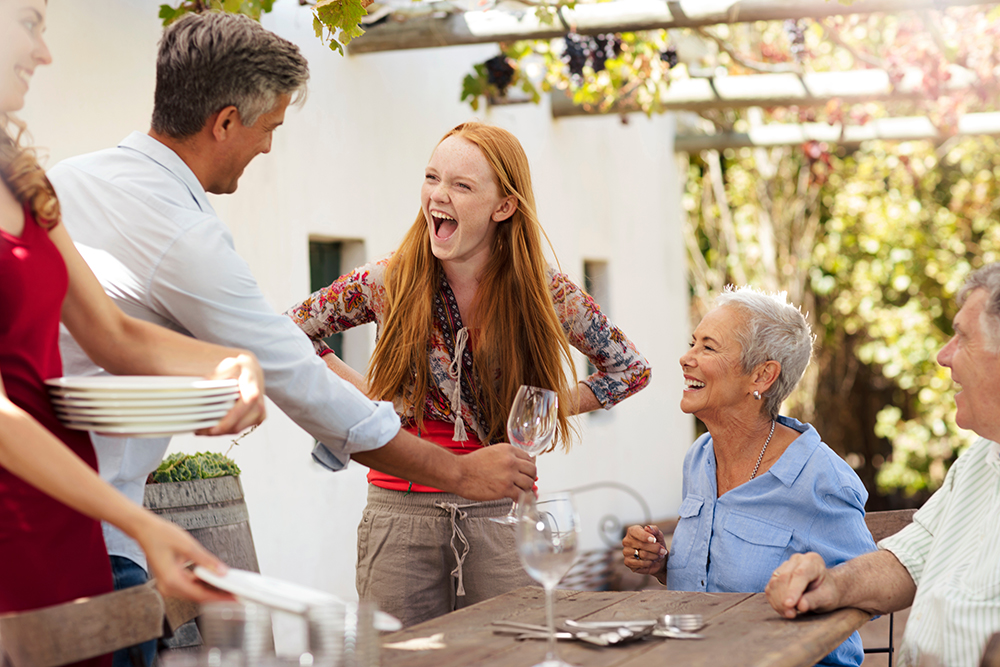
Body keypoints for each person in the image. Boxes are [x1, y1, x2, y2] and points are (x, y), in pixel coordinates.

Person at [49, 13, 536, 666]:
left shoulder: (69, 179)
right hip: (90, 541)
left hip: (64, 516)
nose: (269, 149)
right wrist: (458, 470)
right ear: (225, 122)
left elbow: (118, 345)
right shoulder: (182, 236)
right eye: (269, 128)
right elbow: (299, 381)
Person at [286, 121, 652, 626]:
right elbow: (288, 334)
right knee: (399, 665)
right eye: (432, 177)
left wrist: (540, 408)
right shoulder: (385, 280)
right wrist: (368, 398)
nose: (439, 195)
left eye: (461, 185)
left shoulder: (542, 291)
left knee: (513, 655)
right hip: (400, 511)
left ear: (503, 207)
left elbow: (630, 369)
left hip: (502, 517)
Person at [0, 2, 267, 665]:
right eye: (30, 23)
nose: (45, 53)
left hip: (68, 521)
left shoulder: (25, 183)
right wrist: (140, 522)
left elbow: (115, 334)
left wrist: (231, 361)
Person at [620, 286, 875, 667]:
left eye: (708, 347)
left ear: (761, 376)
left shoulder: (820, 478)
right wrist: (661, 565)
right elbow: (710, 582)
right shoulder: (699, 459)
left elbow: (868, 592)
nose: (686, 358)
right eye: (693, 343)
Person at [766, 263, 1000, 667]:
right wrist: (831, 585)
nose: (943, 356)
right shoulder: (981, 457)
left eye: (962, 337)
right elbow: (908, 560)